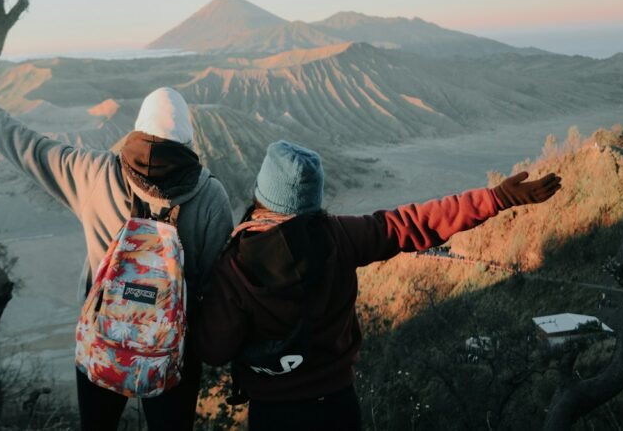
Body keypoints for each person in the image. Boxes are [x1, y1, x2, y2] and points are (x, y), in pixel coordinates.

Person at [0, 44, 233, 431]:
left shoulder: (92, 173)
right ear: (187, 141)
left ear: (137, 129)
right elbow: (214, 287)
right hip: (172, 352)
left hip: (104, 339)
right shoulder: (210, 196)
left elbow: (23, 143)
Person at [196, 140, 562, 431]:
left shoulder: (235, 264)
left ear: (262, 194)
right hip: (338, 404)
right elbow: (413, 223)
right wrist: (496, 197)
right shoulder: (341, 235)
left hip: (274, 412)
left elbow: (214, 349)